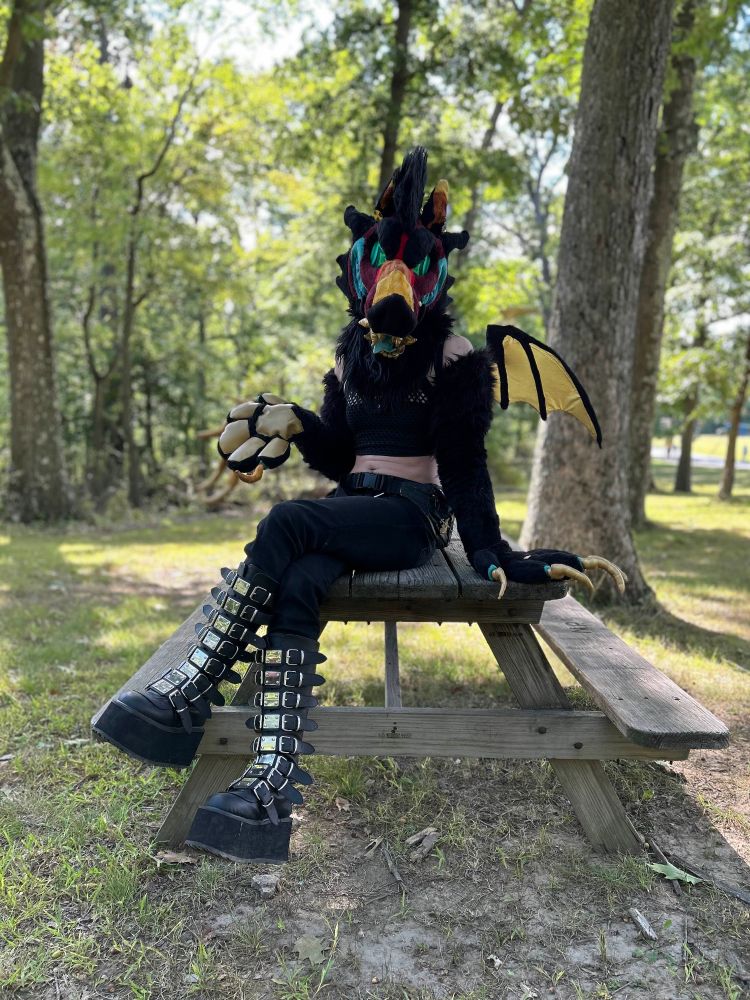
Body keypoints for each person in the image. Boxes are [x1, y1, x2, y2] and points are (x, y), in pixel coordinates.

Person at [94, 148, 624, 864]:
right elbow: (341, 456)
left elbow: (465, 466)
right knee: (304, 575)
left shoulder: (456, 355)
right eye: (382, 263)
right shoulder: (347, 359)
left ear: (434, 273)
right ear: (359, 269)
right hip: (355, 507)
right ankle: (269, 792)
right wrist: (297, 424)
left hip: (410, 519)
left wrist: (494, 549)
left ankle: (190, 690)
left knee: (285, 521)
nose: (395, 279)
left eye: (411, 265)